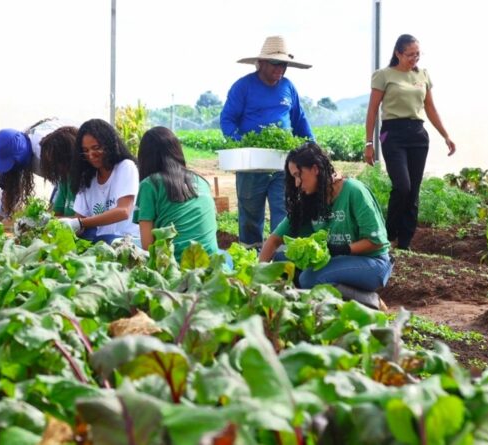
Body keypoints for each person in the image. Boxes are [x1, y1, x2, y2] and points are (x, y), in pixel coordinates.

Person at [259, 143, 393, 307]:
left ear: (315, 169)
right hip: (340, 261)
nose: (296, 183)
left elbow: (376, 241)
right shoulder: (311, 199)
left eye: (298, 175)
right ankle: (319, 305)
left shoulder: (353, 191)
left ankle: (370, 300)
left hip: (372, 263)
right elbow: (273, 241)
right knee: (281, 259)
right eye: (293, 177)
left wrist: (342, 249)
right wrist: (258, 277)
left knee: (308, 278)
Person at [220, 35, 315, 248]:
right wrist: (241, 144)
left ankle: (280, 257)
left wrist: (312, 145)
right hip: (251, 163)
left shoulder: (288, 87)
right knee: (250, 212)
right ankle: (250, 255)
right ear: (261, 63)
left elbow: (299, 119)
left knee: (284, 209)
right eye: (275, 63)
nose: (280, 68)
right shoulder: (243, 87)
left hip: (283, 163)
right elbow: (227, 119)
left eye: (283, 64)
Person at [364, 34, 456, 250]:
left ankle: (405, 242)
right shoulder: (384, 75)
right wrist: (369, 143)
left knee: (413, 190)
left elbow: (430, 107)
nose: (415, 58)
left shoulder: (423, 75)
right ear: (398, 53)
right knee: (402, 186)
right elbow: (372, 110)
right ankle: (389, 232)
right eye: (410, 54)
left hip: (417, 135)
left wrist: (446, 135)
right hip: (392, 134)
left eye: (418, 54)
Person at [133, 126, 218, 260]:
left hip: (173, 266)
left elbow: (147, 247)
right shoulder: (201, 181)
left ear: (145, 158)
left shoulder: (150, 184)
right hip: (210, 263)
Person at [59, 119, 139, 244]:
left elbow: (123, 211)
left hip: (127, 241)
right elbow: (79, 222)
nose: (91, 155)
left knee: (103, 240)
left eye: (96, 148)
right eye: (85, 151)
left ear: (109, 144)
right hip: (103, 243)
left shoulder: (125, 167)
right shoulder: (86, 178)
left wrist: (79, 223)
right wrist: (57, 225)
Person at [0, 117, 76, 220]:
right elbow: (6, 192)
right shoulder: (11, 147)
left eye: (12, 163)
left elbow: (61, 180)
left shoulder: (44, 146)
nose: (12, 168)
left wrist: (49, 218)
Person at [38, 126, 79, 216]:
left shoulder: (87, 181)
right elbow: (56, 213)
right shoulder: (65, 179)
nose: (54, 167)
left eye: (56, 161)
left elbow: (81, 221)